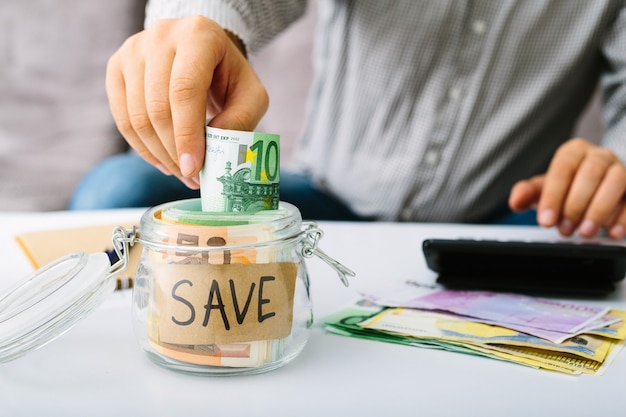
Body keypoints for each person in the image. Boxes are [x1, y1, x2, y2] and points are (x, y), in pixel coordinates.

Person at [75, 1, 626, 240]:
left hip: (502, 218)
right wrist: (202, 22)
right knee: (119, 188)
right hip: (329, 197)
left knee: (598, 239)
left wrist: (614, 168)